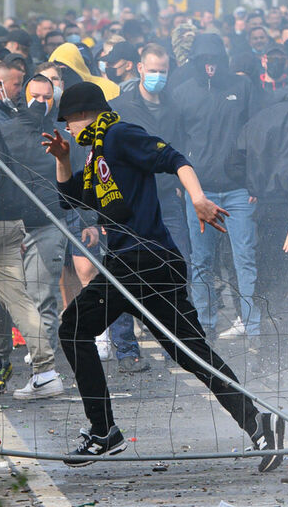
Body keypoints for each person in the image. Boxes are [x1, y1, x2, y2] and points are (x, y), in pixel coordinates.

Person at [46, 82, 285, 469]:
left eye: (68, 123)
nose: (68, 131)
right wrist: (61, 159)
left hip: (141, 259)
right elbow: (71, 199)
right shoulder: (95, 155)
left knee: (73, 328)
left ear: (81, 115)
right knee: (189, 351)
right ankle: (257, 424)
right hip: (146, 262)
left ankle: (104, 431)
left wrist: (198, 197)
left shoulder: (119, 134)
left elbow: (175, 158)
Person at [0, 64, 65, 396]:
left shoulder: (61, 136)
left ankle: (43, 371)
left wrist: (88, 224)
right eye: (35, 96)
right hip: (5, 228)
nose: (41, 102)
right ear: (23, 98)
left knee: (43, 300)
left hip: (48, 225)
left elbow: (74, 185)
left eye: (47, 97)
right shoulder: (4, 131)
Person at [172, 33, 261, 338]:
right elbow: (177, 142)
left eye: (214, 60)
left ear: (223, 60)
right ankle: (205, 325)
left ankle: (253, 326)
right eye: (203, 60)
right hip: (200, 191)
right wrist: (182, 183)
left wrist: (254, 184)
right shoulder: (182, 94)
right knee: (201, 261)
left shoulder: (242, 86)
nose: (209, 66)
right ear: (194, 61)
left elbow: (256, 135)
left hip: (239, 190)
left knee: (245, 257)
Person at [108, 42, 188, 371]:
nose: (157, 76)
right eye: (152, 70)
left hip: (167, 198)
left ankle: (178, 343)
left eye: (163, 71)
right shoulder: (119, 107)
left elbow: (182, 147)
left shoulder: (174, 107)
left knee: (177, 268)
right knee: (126, 272)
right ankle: (126, 349)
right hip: (128, 200)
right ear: (139, 69)